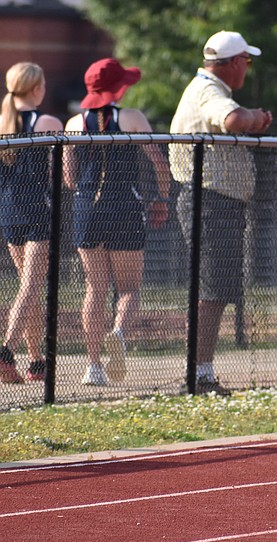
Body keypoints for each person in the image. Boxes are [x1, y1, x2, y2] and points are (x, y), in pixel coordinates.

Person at [169, 30, 272, 396]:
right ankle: (197, 376)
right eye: (246, 60)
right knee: (209, 291)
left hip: (216, 202)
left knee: (215, 289)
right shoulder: (210, 91)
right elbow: (230, 119)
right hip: (209, 201)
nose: (247, 67)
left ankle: (201, 373)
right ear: (232, 62)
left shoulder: (208, 87)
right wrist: (256, 117)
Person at [64, 58, 171, 387]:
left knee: (94, 288)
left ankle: (93, 366)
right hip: (124, 205)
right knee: (128, 289)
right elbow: (158, 163)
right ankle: (119, 333)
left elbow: (69, 177)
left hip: (86, 208)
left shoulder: (72, 124)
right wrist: (162, 198)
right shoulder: (132, 118)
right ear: (117, 87)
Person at [0, 63, 63, 384]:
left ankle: (36, 361)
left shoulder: (2, 122)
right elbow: (60, 172)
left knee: (30, 287)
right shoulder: (48, 122)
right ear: (36, 88)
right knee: (30, 285)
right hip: (38, 208)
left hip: (9, 210)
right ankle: (6, 350)